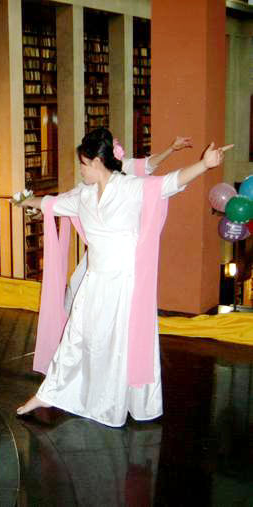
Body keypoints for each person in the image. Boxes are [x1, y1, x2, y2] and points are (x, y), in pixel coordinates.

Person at [15, 129, 232, 427]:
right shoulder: (83, 195)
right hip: (94, 281)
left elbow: (171, 182)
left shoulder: (131, 188)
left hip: (125, 283)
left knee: (119, 343)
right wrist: (25, 201)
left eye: (83, 163)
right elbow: (50, 203)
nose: (80, 169)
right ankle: (49, 393)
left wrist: (204, 164)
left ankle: (115, 402)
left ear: (97, 162)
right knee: (76, 337)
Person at [65, 131, 193, 313]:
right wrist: (41, 204)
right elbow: (69, 199)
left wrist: (171, 149)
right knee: (77, 286)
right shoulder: (89, 182)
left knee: (112, 300)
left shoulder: (120, 171)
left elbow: (149, 166)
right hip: (99, 249)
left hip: (119, 246)